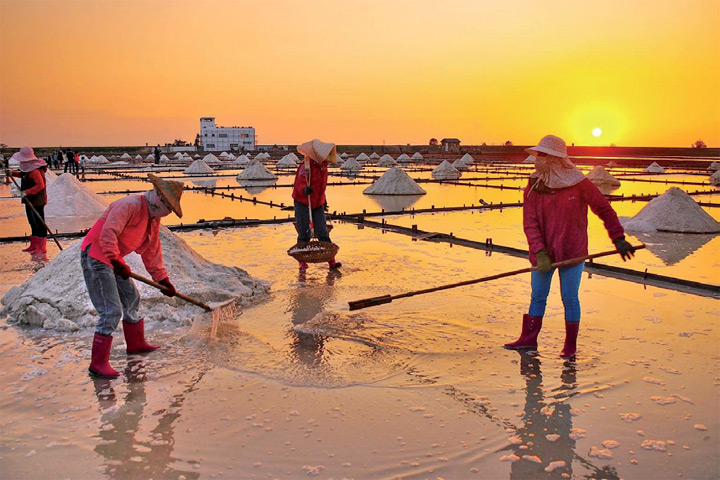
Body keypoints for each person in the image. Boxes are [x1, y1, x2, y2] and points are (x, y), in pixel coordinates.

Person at [504, 135, 635, 358]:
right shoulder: (535, 184)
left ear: (556, 159)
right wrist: (540, 252)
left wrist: (618, 237)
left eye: (543, 155)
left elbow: (603, 209)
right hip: (543, 254)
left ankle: (570, 346)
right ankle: (528, 339)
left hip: (572, 251)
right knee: (538, 296)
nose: (539, 160)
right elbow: (530, 223)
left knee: (570, 297)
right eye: (539, 155)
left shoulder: (579, 183)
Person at [81, 173, 184, 379]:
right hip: (97, 255)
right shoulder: (129, 205)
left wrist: (162, 280)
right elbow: (108, 234)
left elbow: (151, 252)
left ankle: (135, 345)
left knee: (132, 298)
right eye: (167, 206)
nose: (167, 212)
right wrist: (117, 261)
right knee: (111, 310)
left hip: (114, 259)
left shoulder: (152, 220)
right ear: (158, 199)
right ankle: (98, 364)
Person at [292, 139, 341, 270]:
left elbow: (322, 187)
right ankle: (302, 261)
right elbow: (299, 182)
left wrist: (324, 200)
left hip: (317, 203)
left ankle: (331, 260)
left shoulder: (323, 168)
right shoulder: (306, 166)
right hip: (302, 201)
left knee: (323, 232)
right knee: (304, 232)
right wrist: (304, 189)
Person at [11, 147, 49, 261]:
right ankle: (34, 245)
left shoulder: (34, 170)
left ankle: (41, 247)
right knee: (32, 221)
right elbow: (23, 175)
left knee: (39, 223)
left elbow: (40, 185)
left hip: (37, 200)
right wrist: (12, 173)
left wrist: (27, 192)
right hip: (29, 199)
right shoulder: (28, 169)